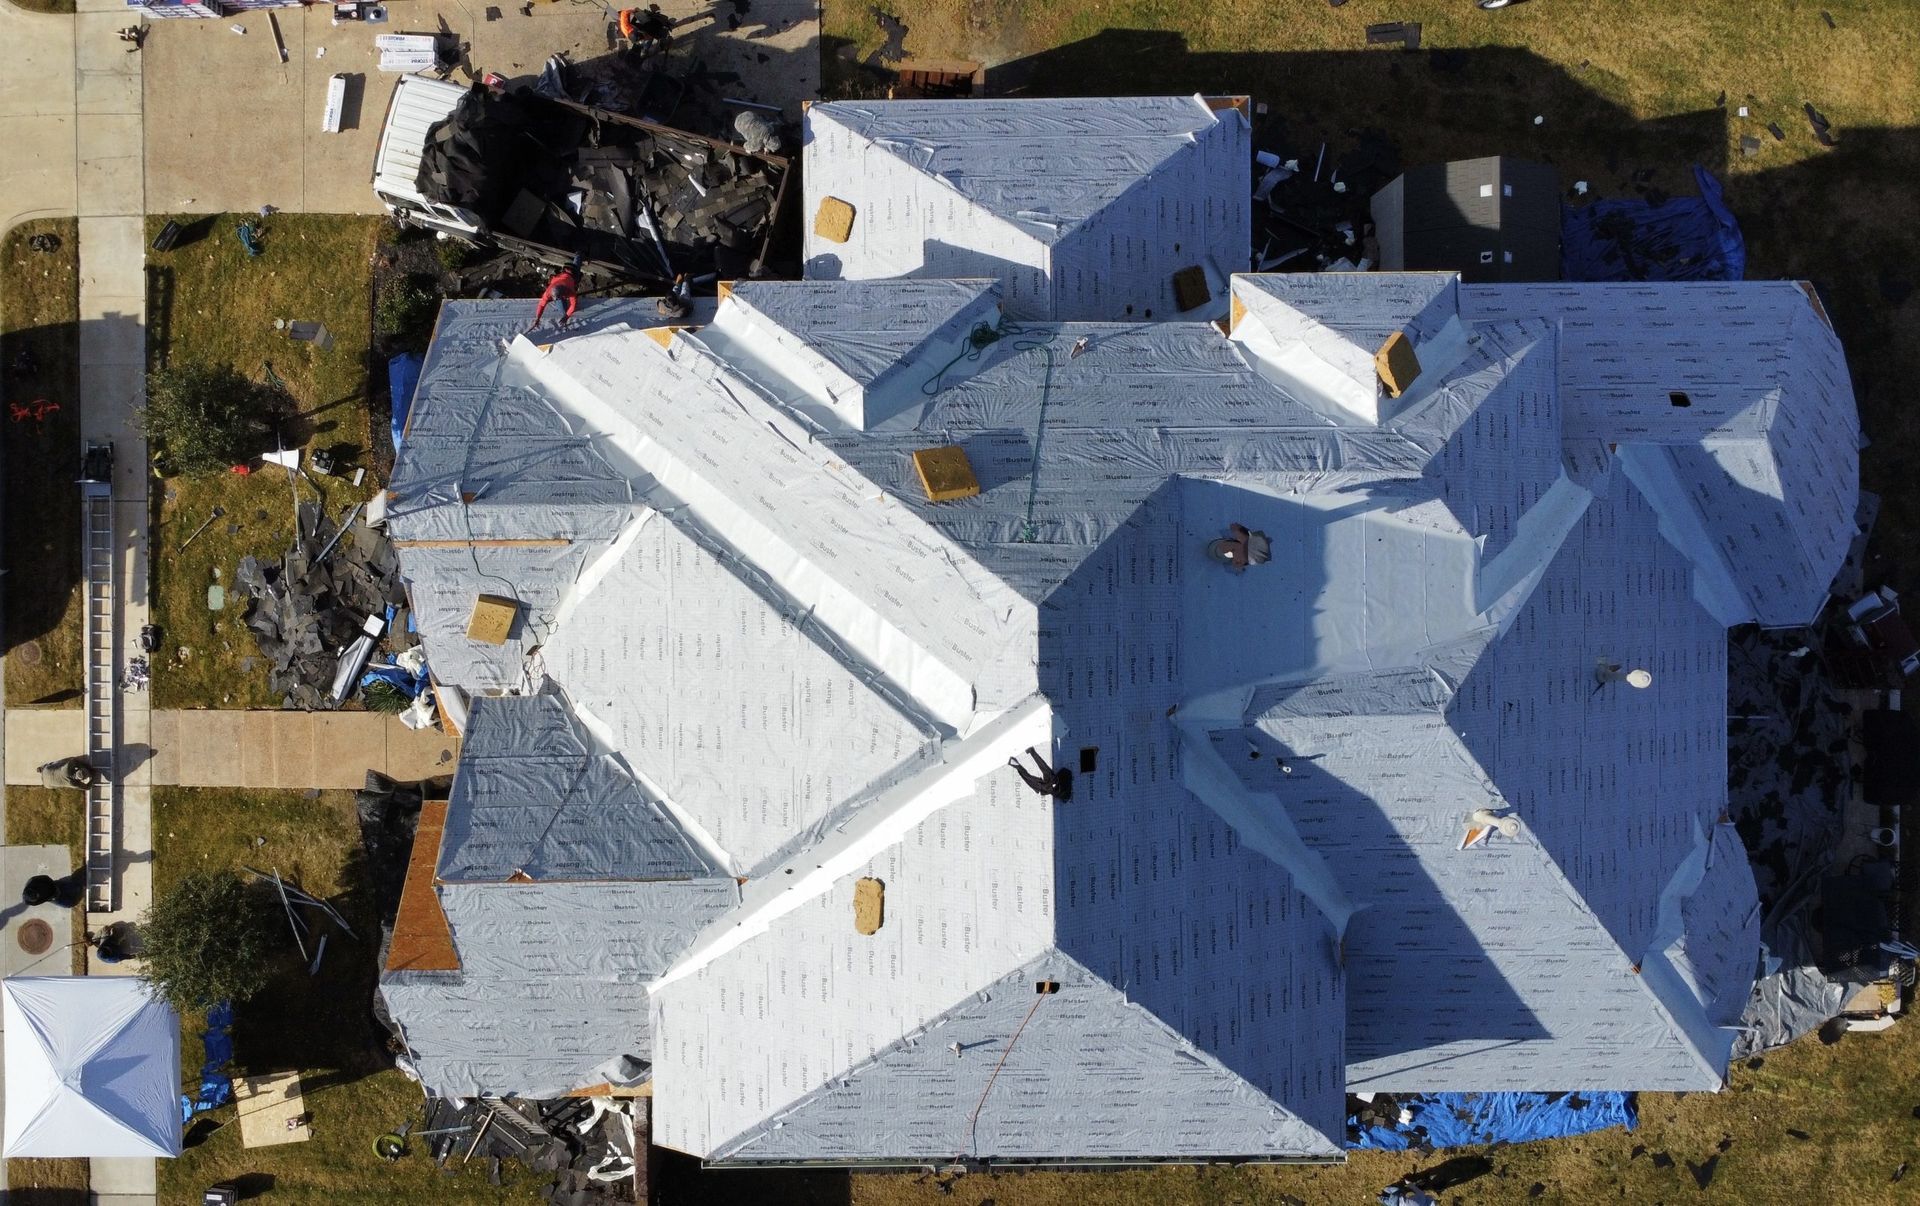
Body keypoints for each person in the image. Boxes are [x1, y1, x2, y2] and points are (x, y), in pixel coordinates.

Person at [529, 259, 582, 331]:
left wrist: (566, 316)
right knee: (576, 266)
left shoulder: (571, 291)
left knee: (576, 268)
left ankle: (578, 256)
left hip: (571, 276)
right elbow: (541, 305)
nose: (554, 300)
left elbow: (573, 305)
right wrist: (537, 318)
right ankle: (578, 256)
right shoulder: (548, 292)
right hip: (562, 277)